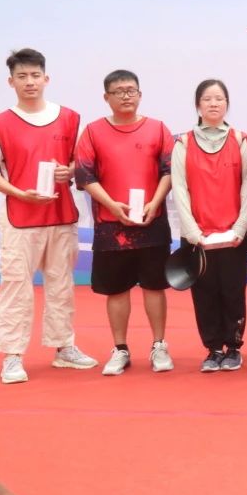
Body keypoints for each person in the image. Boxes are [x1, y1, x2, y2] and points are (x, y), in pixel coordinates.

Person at [0, 48, 96, 384]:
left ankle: (63, 347)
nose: (30, 82)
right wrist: (18, 193)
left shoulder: (69, 118)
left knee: (61, 285)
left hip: (61, 215)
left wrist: (69, 171)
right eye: (22, 76)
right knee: (16, 286)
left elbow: (80, 163)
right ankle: (12, 355)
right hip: (19, 218)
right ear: (11, 81)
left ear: (46, 78)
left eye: (35, 75)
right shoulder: (1, 122)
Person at [76, 69, 175, 376]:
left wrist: (155, 202)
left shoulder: (158, 128)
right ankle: (120, 348)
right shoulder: (92, 132)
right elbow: (84, 176)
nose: (126, 96)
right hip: (111, 225)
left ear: (140, 94)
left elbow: (170, 171)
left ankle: (159, 345)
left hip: (152, 222)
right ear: (106, 97)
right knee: (116, 290)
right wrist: (111, 205)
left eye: (131, 90)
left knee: (154, 286)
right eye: (118, 92)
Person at [171, 79, 247, 372]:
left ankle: (233, 347)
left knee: (233, 291)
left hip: (233, 235)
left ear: (227, 104)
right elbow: (179, 189)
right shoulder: (183, 143)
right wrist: (192, 232)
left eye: (219, 98)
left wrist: (241, 227)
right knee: (204, 294)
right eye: (207, 99)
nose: (214, 103)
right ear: (198, 105)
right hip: (198, 237)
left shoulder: (240, 140)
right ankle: (213, 349)